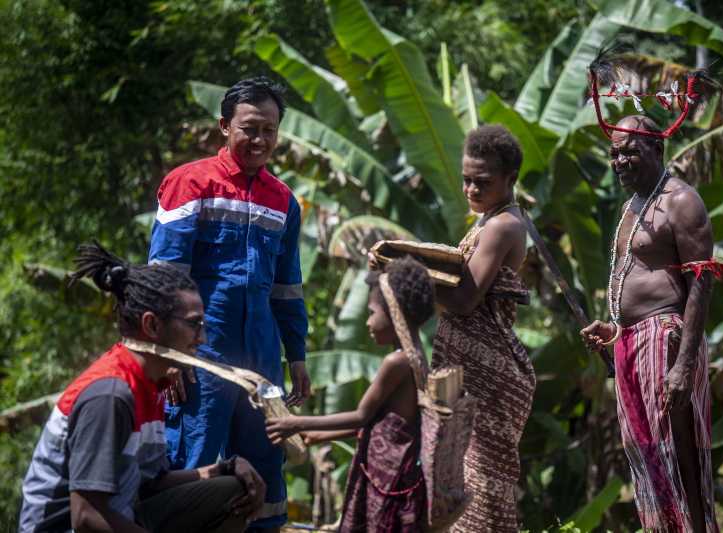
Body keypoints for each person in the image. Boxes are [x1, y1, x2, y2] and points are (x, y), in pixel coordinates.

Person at [148, 76, 310, 530]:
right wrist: (171, 354)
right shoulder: (189, 183)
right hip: (201, 353)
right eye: (249, 128)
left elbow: (287, 287)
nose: (260, 140)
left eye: (270, 131)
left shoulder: (284, 202)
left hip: (262, 359)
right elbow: (164, 276)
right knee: (193, 458)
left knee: (265, 463)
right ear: (224, 125)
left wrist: (296, 354)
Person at [18, 242, 265, 533]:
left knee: (236, 489)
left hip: (123, 514)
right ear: (152, 326)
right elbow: (85, 518)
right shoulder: (111, 395)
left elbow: (151, 483)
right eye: (193, 324)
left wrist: (224, 467)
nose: (202, 339)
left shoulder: (150, 383)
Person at [581, 115, 719, 532]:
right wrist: (614, 330)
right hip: (631, 343)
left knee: (679, 455)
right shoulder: (631, 206)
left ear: (657, 150)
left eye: (631, 151)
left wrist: (683, 364)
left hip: (666, 341)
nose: (621, 161)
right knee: (647, 454)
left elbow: (701, 282)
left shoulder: (681, 200)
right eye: (615, 153)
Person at [265, 257, 433, 532]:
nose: (368, 322)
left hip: (387, 477)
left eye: (372, 312)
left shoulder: (397, 362)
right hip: (397, 473)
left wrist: (294, 423)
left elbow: (361, 416)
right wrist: (321, 436)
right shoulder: (416, 356)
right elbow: (383, 422)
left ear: (394, 312)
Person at [431, 125, 536, 532]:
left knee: (484, 482)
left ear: (510, 180)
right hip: (473, 370)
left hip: (490, 373)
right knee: (461, 471)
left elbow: (463, 299)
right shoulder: (488, 219)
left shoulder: (502, 226)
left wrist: (409, 275)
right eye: (467, 180)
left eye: (483, 182)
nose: (471, 189)